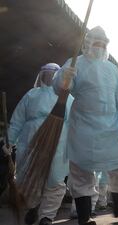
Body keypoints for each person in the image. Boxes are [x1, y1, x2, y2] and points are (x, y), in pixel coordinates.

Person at [53, 26, 118, 225]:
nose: (99, 47)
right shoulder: (76, 63)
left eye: (103, 44)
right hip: (84, 124)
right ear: (87, 44)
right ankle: (84, 217)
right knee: (82, 171)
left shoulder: (112, 69)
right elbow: (61, 88)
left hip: (111, 125)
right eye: (96, 43)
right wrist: (65, 77)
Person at [3, 63, 72, 225]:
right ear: (41, 75)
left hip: (58, 142)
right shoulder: (31, 95)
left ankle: (46, 216)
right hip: (30, 142)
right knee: (29, 177)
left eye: (54, 75)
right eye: (47, 74)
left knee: (55, 179)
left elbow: (76, 121)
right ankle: (33, 207)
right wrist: (9, 141)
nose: (49, 77)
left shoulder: (67, 97)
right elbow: (17, 121)